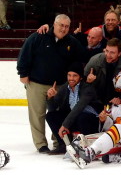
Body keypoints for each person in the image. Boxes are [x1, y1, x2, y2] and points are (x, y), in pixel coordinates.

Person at [17, 14, 84, 153]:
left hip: (60, 86)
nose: (63, 29)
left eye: (66, 26)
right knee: (37, 115)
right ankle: (40, 144)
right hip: (37, 83)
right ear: (54, 24)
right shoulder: (38, 36)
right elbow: (24, 54)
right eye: (61, 25)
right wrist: (22, 74)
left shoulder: (71, 42)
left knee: (57, 114)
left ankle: (58, 141)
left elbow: (81, 58)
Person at [46, 62, 102, 154]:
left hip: (90, 121)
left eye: (75, 76)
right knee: (51, 116)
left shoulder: (87, 88)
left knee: (81, 116)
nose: (71, 78)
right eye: (69, 75)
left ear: (80, 77)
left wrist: (65, 125)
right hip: (74, 119)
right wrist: (50, 98)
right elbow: (52, 108)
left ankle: (87, 147)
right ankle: (63, 145)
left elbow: (78, 108)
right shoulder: (65, 87)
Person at [84, 38, 121, 105]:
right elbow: (81, 83)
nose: (108, 55)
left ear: (119, 53)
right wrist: (87, 81)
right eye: (107, 51)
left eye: (112, 52)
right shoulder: (95, 61)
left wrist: (120, 98)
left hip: (115, 102)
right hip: (95, 100)